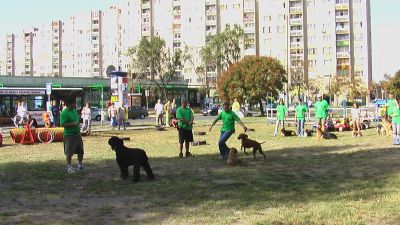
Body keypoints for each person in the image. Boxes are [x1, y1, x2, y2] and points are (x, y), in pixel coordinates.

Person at [60, 97, 84, 174]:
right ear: (69, 104)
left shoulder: (74, 111)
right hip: (69, 135)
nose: (75, 105)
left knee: (81, 151)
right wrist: (72, 124)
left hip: (77, 134)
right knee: (69, 152)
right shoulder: (64, 113)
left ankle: (80, 165)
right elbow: (62, 124)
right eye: (74, 103)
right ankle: (69, 167)